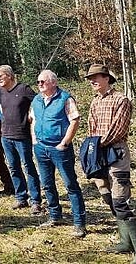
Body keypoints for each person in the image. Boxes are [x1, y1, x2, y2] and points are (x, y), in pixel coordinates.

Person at [84, 64, 136, 263]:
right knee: (107, 195)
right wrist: (92, 148)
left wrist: (97, 143)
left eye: (96, 77)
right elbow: (91, 126)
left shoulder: (121, 100)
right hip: (99, 153)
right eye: (90, 78)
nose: (93, 81)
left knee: (122, 200)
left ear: (107, 78)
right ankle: (125, 241)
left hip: (117, 154)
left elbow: (118, 130)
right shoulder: (95, 102)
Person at [30, 70, 86, 238]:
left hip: (60, 149)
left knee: (70, 185)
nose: (39, 84)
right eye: (38, 82)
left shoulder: (65, 99)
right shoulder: (37, 99)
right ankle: (55, 216)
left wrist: (65, 143)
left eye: (43, 81)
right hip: (41, 148)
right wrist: (34, 140)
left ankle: (79, 223)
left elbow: (74, 120)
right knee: (46, 183)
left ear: (53, 82)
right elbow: (33, 120)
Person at [0, 64, 42, 215]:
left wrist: (31, 114)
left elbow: (39, 102)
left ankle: (35, 200)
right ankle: (21, 197)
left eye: (0, 77)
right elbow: (3, 107)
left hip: (22, 136)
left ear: (9, 76)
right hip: (6, 136)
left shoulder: (23, 89)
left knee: (28, 166)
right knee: (13, 167)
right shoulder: (1, 91)